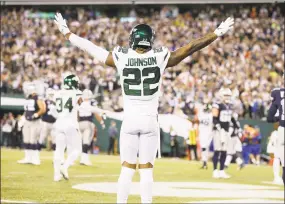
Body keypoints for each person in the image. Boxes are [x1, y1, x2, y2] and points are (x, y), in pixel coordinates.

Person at [54, 12, 234, 203]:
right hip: (150, 121)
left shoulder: (121, 57)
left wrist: (67, 33)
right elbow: (190, 48)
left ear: (133, 39)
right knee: (147, 170)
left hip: (130, 120)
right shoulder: (160, 57)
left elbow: (90, 48)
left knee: (127, 169)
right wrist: (216, 33)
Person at [52, 74, 83, 182]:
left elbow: (55, 108)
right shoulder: (77, 93)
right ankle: (64, 167)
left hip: (59, 123)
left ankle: (56, 175)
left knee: (59, 149)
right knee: (77, 149)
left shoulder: (57, 93)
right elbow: (81, 105)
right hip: (70, 123)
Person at [18, 83, 46, 165]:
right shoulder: (28, 98)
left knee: (33, 140)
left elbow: (43, 109)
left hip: (35, 122)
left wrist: (36, 114)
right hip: (27, 121)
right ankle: (28, 158)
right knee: (26, 140)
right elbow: (26, 111)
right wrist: (23, 118)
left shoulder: (38, 98)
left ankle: (36, 159)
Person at [78, 89, 105, 166]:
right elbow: (96, 113)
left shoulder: (80, 101)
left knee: (81, 142)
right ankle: (84, 159)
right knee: (87, 142)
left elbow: (77, 113)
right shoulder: (92, 102)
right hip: (88, 123)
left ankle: (82, 158)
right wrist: (102, 122)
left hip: (79, 123)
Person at [212, 88, 233, 179]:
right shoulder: (217, 105)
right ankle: (215, 170)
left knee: (224, 151)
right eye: (226, 95)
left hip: (226, 130)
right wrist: (218, 127)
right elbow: (214, 118)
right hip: (219, 130)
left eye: (228, 96)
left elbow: (230, 119)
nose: (227, 97)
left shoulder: (229, 106)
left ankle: (221, 170)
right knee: (218, 150)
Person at [267, 74, 284, 185]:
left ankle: (277, 178)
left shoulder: (277, 92)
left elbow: (269, 117)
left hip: (283, 127)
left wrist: (276, 118)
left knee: (278, 154)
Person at [39, 88, 57, 156]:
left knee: (55, 140)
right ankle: (36, 155)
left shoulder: (56, 102)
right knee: (41, 138)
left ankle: (56, 157)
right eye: (50, 94)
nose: (51, 96)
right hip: (45, 122)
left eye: (52, 94)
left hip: (53, 123)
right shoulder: (44, 101)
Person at [196, 102, 213, 169]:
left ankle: (205, 162)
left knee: (205, 148)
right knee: (204, 148)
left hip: (207, 133)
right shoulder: (208, 115)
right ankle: (204, 162)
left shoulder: (203, 114)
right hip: (205, 132)